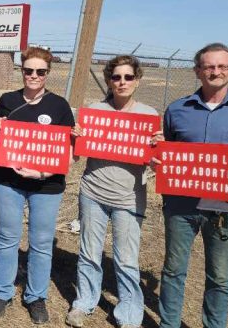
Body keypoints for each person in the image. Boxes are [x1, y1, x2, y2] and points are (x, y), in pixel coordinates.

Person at [154, 43, 228, 328]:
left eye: (222, 66)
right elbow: (168, 150)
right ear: (198, 71)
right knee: (173, 270)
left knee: (220, 277)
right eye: (208, 66)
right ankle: (168, 324)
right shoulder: (177, 109)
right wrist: (158, 160)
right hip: (180, 204)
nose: (215, 72)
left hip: (226, 208)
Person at [65, 55, 161, 328]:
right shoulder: (94, 111)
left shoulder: (149, 116)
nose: (122, 82)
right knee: (89, 253)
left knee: (126, 260)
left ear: (137, 80)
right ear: (109, 80)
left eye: (128, 77)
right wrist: (78, 138)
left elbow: (153, 160)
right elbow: (77, 155)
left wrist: (157, 147)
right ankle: (84, 303)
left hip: (128, 197)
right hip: (93, 192)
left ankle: (129, 314)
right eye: (116, 77)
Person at [0, 46, 75, 324]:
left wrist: (41, 173)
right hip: (9, 182)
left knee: (41, 243)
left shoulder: (59, 106)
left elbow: (67, 152)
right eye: (28, 70)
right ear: (21, 70)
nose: (33, 76)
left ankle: (36, 297)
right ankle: (1, 291)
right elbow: (3, 144)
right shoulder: (8, 100)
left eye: (40, 71)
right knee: (7, 239)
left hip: (46, 186)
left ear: (48, 73)